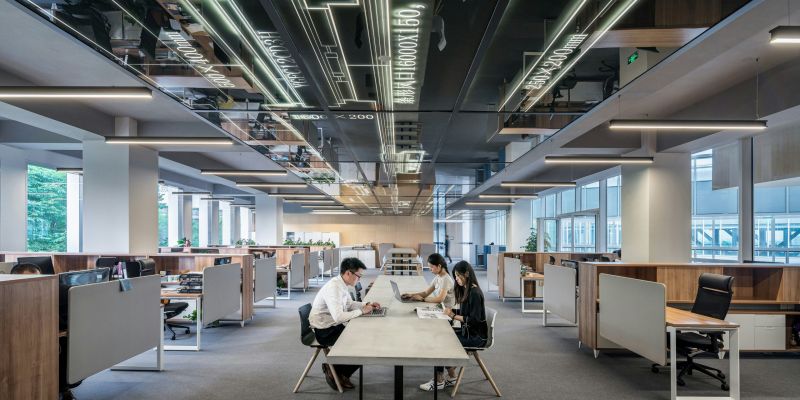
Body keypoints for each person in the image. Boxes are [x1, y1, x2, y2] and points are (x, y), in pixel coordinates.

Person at [309, 258, 381, 391]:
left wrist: (366, 304)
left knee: (365, 338)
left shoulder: (341, 284)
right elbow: (338, 317)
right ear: (348, 273)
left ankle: (337, 370)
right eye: (358, 276)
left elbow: (349, 304)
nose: (359, 279)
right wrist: (361, 311)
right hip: (324, 330)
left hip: (332, 325)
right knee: (363, 344)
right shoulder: (334, 288)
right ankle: (336, 370)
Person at [420, 261, 488, 391]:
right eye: (455, 276)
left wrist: (452, 315)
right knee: (440, 336)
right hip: (468, 331)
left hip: (476, 337)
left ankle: (439, 380)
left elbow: (473, 320)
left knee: (440, 342)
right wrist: (450, 311)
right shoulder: (467, 290)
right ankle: (451, 376)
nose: (456, 280)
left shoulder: (474, 293)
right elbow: (465, 313)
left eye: (458, 276)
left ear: (467, 274)